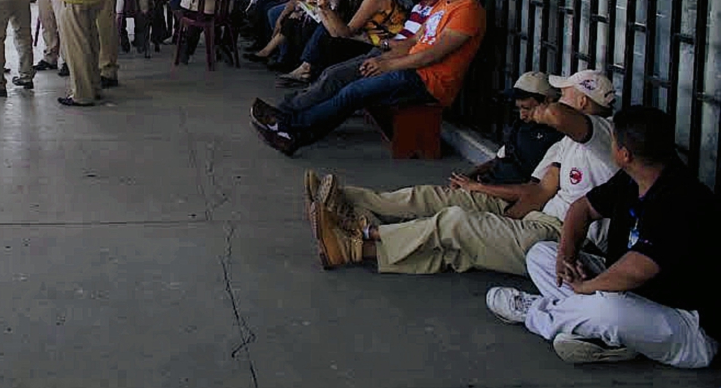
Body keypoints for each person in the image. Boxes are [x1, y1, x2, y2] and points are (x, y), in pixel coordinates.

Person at [306, 70, 617, 276]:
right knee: (457, 246)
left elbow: (557, 114)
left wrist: (544, 108)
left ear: (581, 101)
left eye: (564, 93)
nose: (559, 97)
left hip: (566, 240)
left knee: (455, 224)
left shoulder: (606, 135)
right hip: (538, 219)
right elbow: (541, 191)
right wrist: (507, 219)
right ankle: (351, 232)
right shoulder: (565, 145)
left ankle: (362, 234)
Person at [486, 106, 719, 369]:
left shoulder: (683, 199)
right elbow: (582, 208)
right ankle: (604, 335)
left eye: (613, 140)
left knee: (608, 308)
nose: (610, 145)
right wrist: (566, 257)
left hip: (686, 325)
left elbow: (637, 270)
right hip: (629, 292)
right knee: (541, 254)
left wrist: (587, 287)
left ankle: (540, 312)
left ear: (625, 154)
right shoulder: (633, 177)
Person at [249, 0, 486, 155]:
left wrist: (388, 65)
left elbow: (432, 55)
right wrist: (382, 57)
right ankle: (294, 135)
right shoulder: (443, 5)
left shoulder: (468, 11)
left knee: (353, 91)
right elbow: (414, 41)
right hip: (408, 66)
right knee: (341, 79)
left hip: (427, 82)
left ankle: (288, 124)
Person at [275, 0, 405, 81]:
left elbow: (345, 32)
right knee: (325, 33)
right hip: (367, 40)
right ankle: (308, 70)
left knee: (329, 43)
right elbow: (334, 31)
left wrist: (326, 9)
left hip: (386, 46)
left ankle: (308, 71)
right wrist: (320, 8)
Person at [465, 72, 564, 185]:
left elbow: (534, 188)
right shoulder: (522, 124)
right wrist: (469, 177)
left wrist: (479, 188)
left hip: (503, 191)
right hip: (487, 183)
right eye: (519, 108)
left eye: (527, 108)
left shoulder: (557, 136)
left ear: (548, 101)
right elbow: (499, 159)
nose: (522, 116)